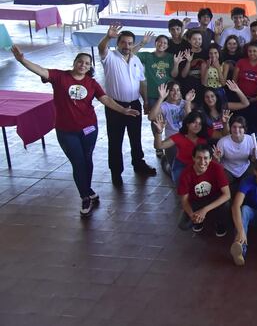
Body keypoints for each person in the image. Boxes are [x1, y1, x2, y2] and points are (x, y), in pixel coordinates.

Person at [11, 46, 140, 216]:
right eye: (80, 61)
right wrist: (22, 60)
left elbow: (106, 99)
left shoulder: (91, 83)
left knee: (87, 160)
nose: (83, 65)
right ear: (74, 63)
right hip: (66, 131)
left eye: (87, 63)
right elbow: (40, 70)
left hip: (89, 129)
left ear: (89, 67)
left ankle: (87, 189)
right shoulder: (60, 77)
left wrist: (122, 110)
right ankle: (85, 196)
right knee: (78, 162)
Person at [98, 24, 156, 187]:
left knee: (135, 137)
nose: (127, 46)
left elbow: (142, 82)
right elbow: (101, 48)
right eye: (123, 42)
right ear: (118, 43)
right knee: (115, 140)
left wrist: (144, 101)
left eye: (130, 43)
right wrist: (108, 37)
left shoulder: (136, 60)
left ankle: (138, 164)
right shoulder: (109, 57)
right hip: (115, 106)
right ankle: (116, 172)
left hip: (134, 104)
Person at [177, 144, 231, 236]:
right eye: (199, 158)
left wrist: (204, 210)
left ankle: (219, 222)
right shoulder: (186, 173)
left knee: (226, 204)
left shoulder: (217, 168)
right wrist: (193, 216)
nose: (202, 162)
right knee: (183, 225)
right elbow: (184, 201)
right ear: (193, 158)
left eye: (206, 158)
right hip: (196, 202)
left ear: (210, 159)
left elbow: (227, 194)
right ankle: (199, 220)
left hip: (213, 198)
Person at [152, 111, 209, 183]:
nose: (197, 126)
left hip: (199, 164)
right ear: (188, 124)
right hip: (181, 165)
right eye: (194, 122)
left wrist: (225, 123)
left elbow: (223, 134)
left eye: (200, 124)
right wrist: (159, 132)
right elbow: (159, 146)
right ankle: (166, 164)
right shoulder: (179, 136)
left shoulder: (204, 136)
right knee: (180, 182)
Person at [216, 115, 257, 193]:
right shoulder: (223, 142)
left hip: (245, 167)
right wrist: (217, 159)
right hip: (228, 169)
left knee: (253, 184)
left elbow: (254, 160)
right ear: (230, 128)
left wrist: (256, 154)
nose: (237, 130)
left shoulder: (250, 139)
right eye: (234, 127)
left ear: (244, 129)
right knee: (221, 187)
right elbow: (217, 162)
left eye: (240, 127)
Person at [136, 35, 176, 111]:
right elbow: (131, 54)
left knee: (169, 119)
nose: (162, 44)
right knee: (155, 120)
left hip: (167, 95)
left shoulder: (171, 57)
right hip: (152, 95)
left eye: (165, 43)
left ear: (167, 46)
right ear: (155, 43)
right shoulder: (147, 56)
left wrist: (176, 63)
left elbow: (174, 75)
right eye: (160, 42)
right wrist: (142, 43)